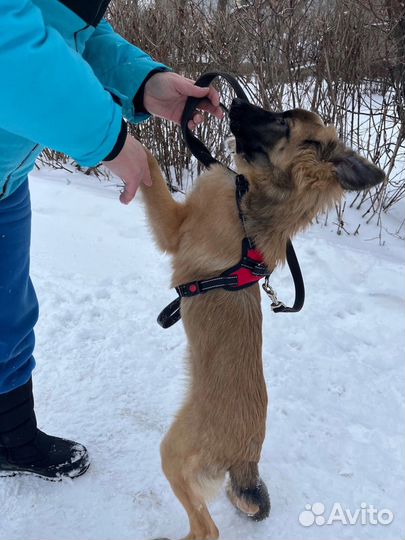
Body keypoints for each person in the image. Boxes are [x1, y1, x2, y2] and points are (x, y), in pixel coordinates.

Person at [0, 0, 223, 480]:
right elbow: (9, 48)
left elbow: (66, 28)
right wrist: (109, 140)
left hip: (4, 179)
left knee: (8, 313)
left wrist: (143, 84)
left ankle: (9, 435)